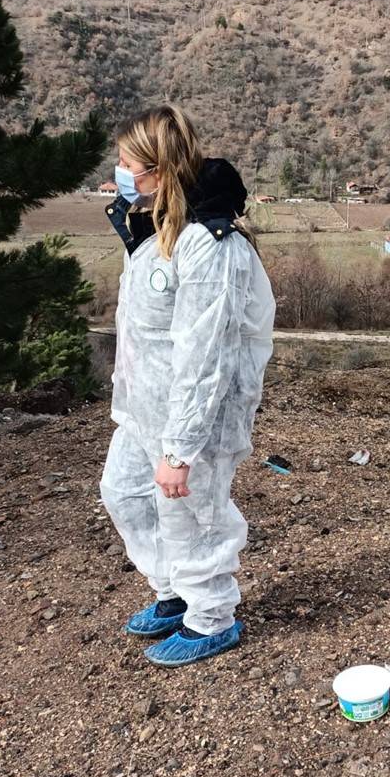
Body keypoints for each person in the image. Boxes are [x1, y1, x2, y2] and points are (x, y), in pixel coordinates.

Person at [100, 104, 275, 666]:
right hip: (144, 405)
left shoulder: (208, 243)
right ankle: (173, 590)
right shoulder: (152, 227)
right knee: (125, 492)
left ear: (158, 169)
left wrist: (180, 450)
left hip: (197, 415)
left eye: (128, 164)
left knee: (192, 513)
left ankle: (211, 616)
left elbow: (206, 353)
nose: (120, 173)